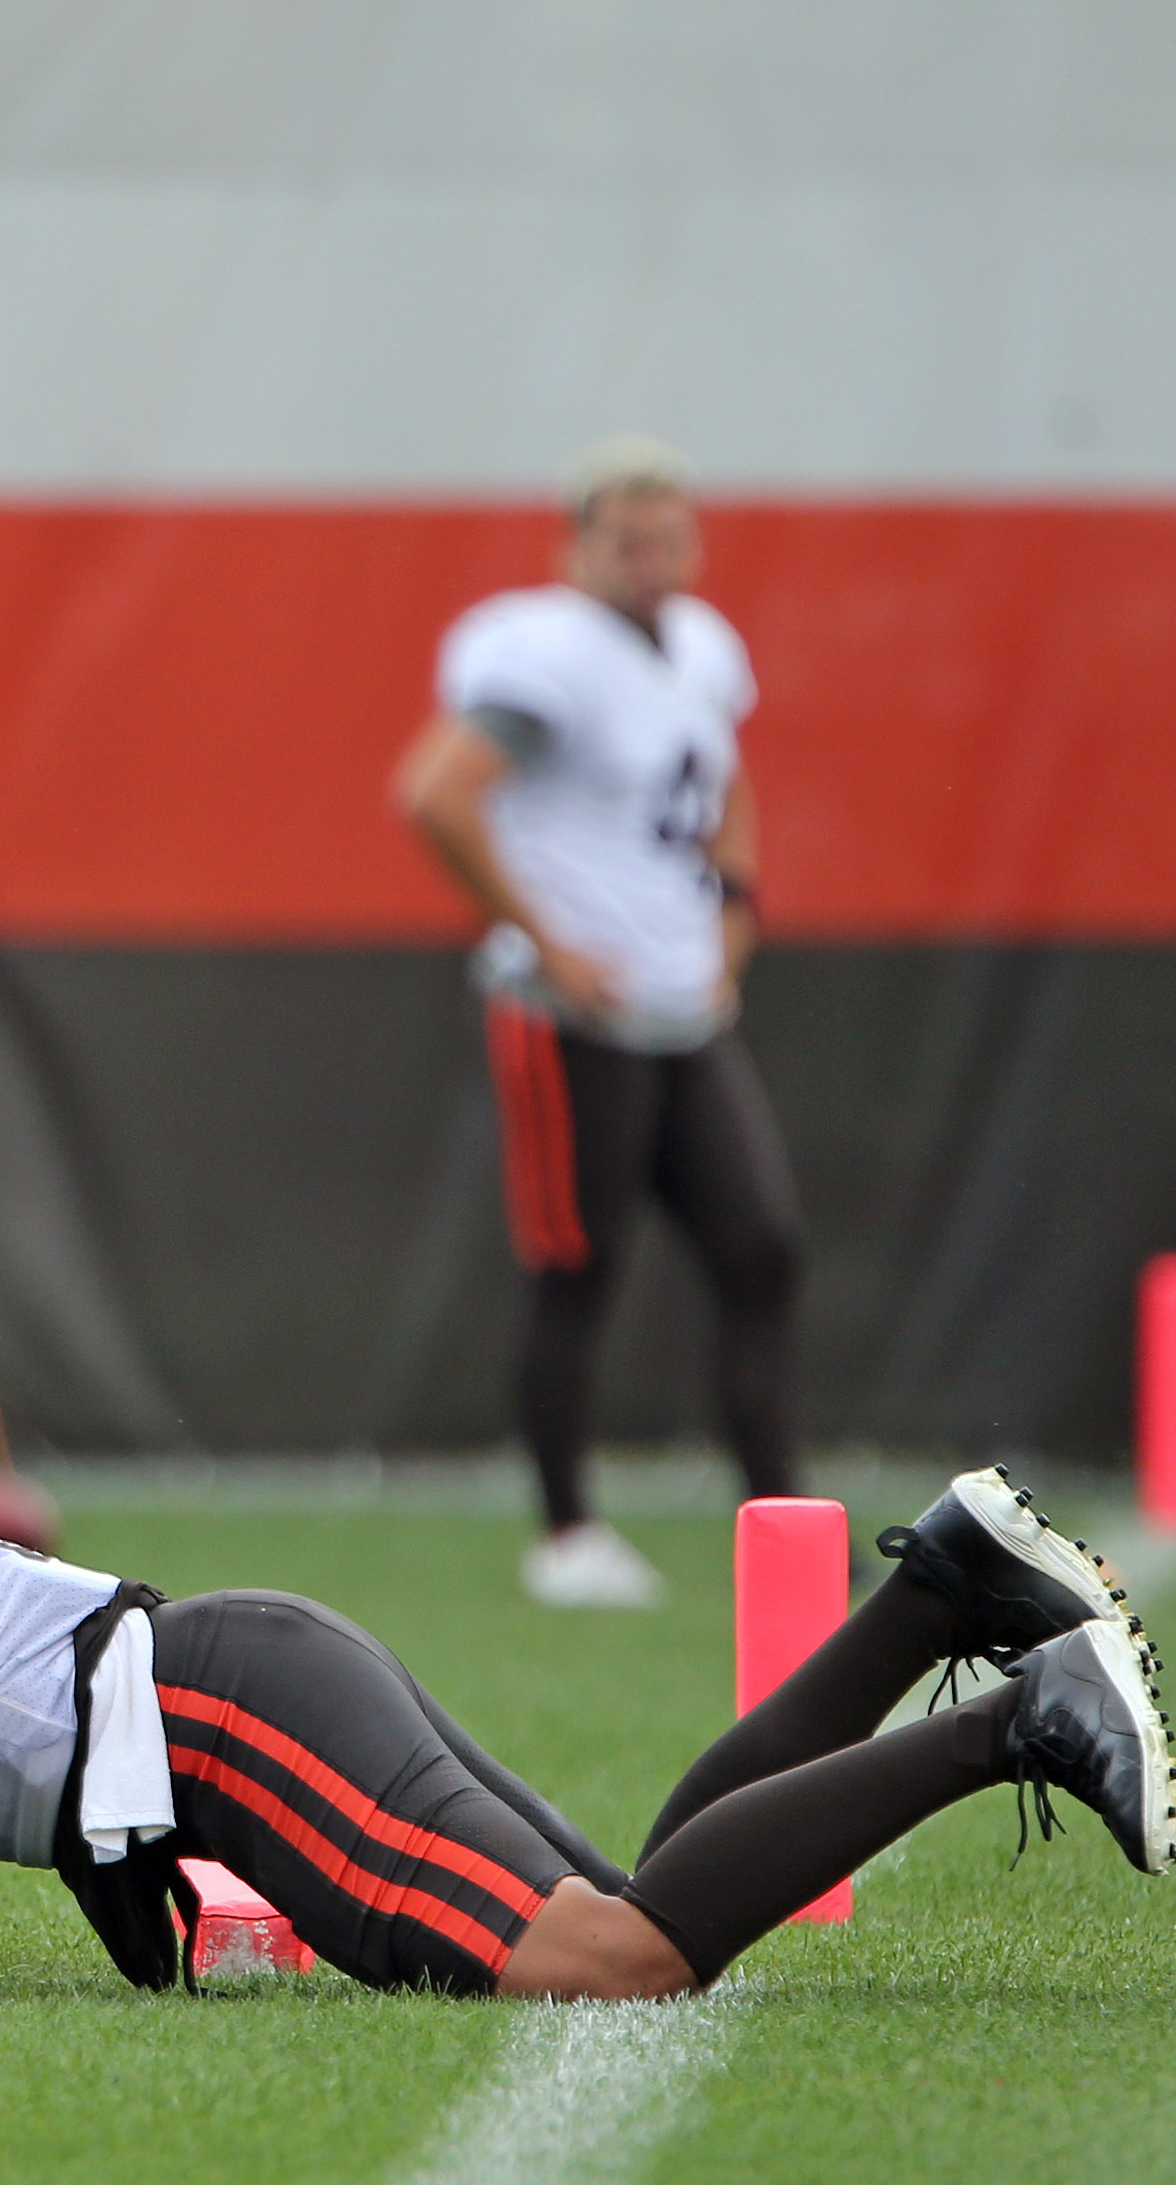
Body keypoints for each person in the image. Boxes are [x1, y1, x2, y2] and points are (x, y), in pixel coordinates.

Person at [0, 1313, 1176, 2001]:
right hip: (211, 1696)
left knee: (612, 1966)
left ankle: (1021, 1720)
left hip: (208, 1719)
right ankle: (930, 1594)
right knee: (639, 1909)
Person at [392, 436, 804, 1608]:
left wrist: (735, 903)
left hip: (680, 1003)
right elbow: (436, 789)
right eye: (626, 538)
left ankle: (779, 1514)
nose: (650, 558)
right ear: (578, 546)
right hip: (570, 1011)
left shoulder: (703, 647)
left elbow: (724, 780)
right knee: (577, 1266)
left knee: (761, 1246)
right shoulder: (548, 656)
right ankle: (567, 1534)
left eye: (668, 535)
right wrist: (546, 937)